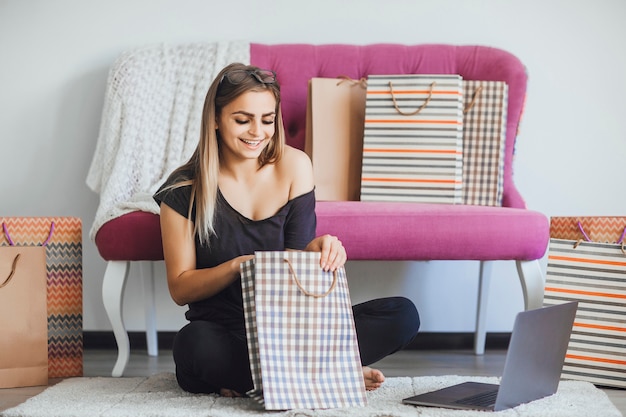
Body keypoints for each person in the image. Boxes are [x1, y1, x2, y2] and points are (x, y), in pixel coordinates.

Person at [154, 62, 420, 397]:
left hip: (293, 331)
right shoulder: (183, 188)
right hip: (226, 332)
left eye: (267, 120)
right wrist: (239, 266)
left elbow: (296, 266)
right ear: (216, 120)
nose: (257, 132)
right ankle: (328, 373)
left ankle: (274, 376)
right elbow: (180, 288)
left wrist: (318, 249)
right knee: (192, 346)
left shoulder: (295, 166)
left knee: (402, 315)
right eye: (242, 120)